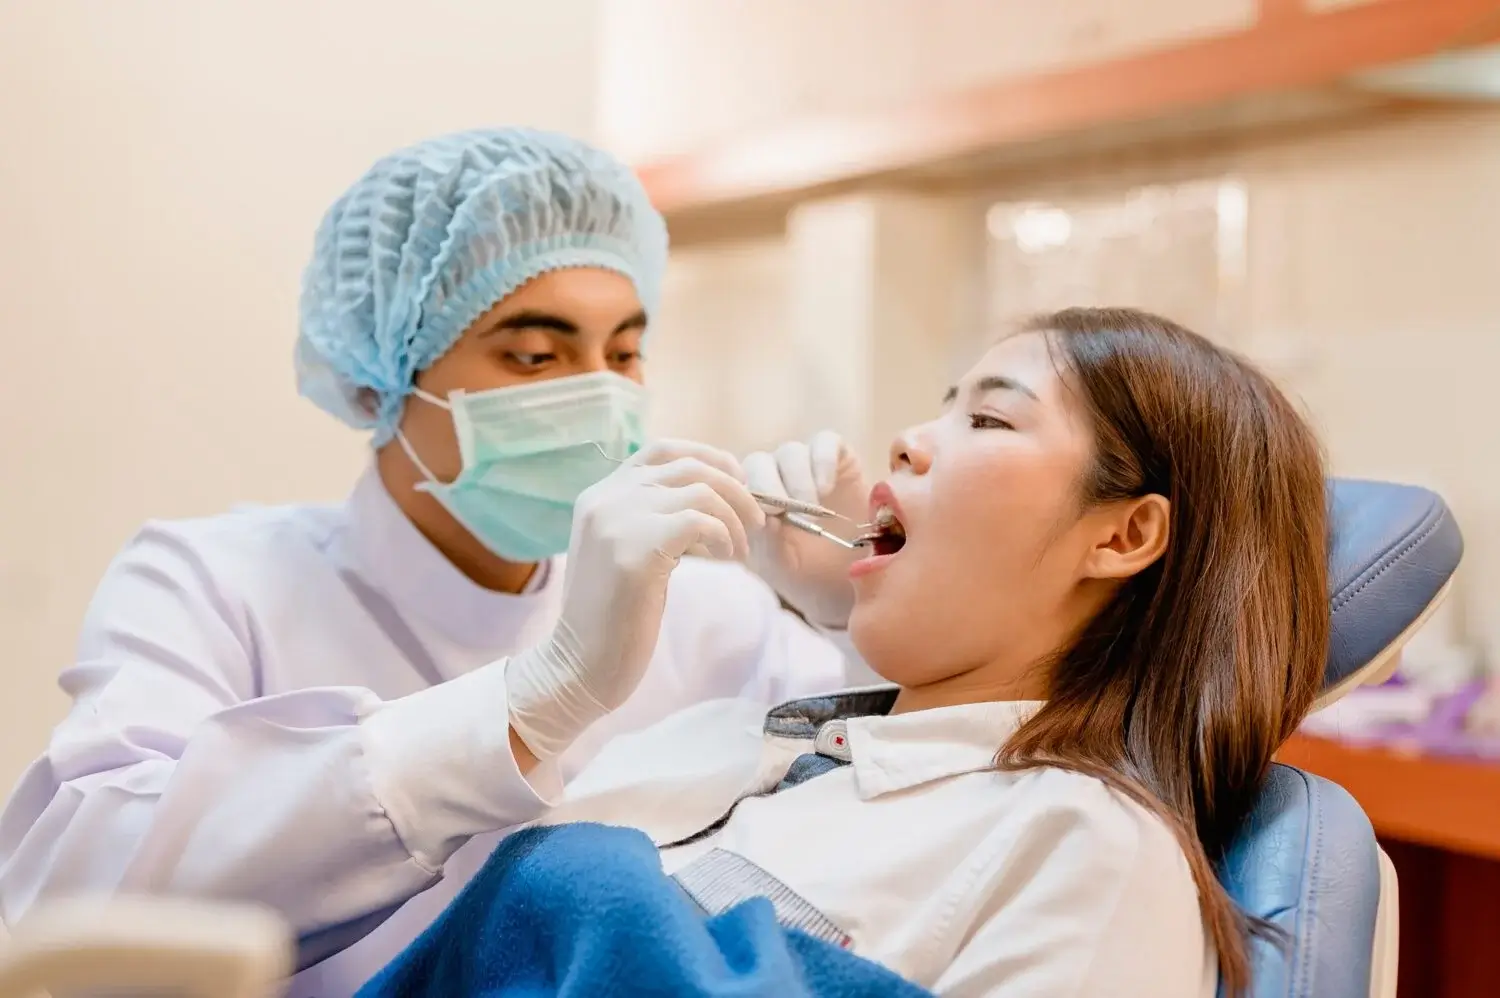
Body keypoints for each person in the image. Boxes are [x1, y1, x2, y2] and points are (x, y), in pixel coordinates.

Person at [0, 128, 874, 996]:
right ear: (381, 376)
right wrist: (535, 701)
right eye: (536, 355)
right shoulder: (213, 583)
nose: (602, 397)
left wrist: (853, 615)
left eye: (623, 353)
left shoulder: (711, 613)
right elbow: (65, 897)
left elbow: (914, 800)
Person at [452, 307, 1330, 997]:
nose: (908, 438)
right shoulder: (733, 739)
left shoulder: (1085, 847)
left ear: (1125, 534)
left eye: (988, 417)